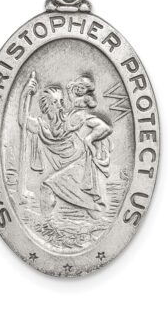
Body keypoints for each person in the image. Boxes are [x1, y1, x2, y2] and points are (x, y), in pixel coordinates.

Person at [17, 73, 113, 219]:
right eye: (55, 102)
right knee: (94, 211)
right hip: (66, 169)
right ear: (46, 107)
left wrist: (89, 139)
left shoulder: (71, 119)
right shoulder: (43, 127)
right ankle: (48, 224)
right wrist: (24, 95)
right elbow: (22, 121)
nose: (60, 105)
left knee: (47, 187)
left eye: (61, 101)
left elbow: (105, 127)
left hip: (80, 167)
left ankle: (47, 223)